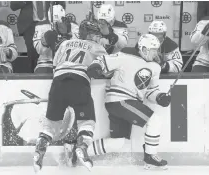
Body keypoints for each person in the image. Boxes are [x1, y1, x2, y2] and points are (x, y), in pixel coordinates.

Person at [66, 34, 171, 170]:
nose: (156, 53)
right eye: (153, 50)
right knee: (155, 120)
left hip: (125, 104)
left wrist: (159, 97)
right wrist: (96, 66)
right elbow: (102, 60)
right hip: (120, 100)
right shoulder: (125, 56)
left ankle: (79, 151)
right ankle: (150, 156)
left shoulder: (155, 67)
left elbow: (151, 91)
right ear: (144, 49)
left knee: (120, 143)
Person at [33, 20, 108, 172]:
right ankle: (81, 147)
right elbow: (105, 68)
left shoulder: (65, 43)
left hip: (57, 83)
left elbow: (55, 66)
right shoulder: (97, 47)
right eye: (95, 35)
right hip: (79, 82)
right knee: (87, 121)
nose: (97, 38)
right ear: (89, 34)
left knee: (51, 124)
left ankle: (41, 145)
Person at [10, 1, 66, 72]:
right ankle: (33, 77)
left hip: (50, 22)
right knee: (32, 54)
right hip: (30, 25)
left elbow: (61, 4)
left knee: (55, 50)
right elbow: (13, 6)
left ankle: (56, 72)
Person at [33, 4, 79, 73]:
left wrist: (68, 35)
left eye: (58, 21)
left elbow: (78, 47)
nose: (55, 23)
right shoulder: (41, 25)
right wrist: (44, 42)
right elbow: (39, 50)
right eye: (53, 21)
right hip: (46, 62)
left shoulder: (73, 26)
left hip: (67, 61)